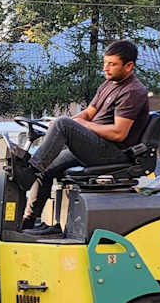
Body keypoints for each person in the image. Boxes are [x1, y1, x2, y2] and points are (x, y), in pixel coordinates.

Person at [13, 40, 150, 235]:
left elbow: (119, 134)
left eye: (112, 64)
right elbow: (88, 113)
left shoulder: (132, 92)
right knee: (46, 169)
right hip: (97, 146)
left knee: (62, 124)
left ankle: (29, 172)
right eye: (105, 62)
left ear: (129, 66)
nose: (106, 68)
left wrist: (74, 125)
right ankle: (28, 222)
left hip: (113, 153)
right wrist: (70, 123)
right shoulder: (108, 84)